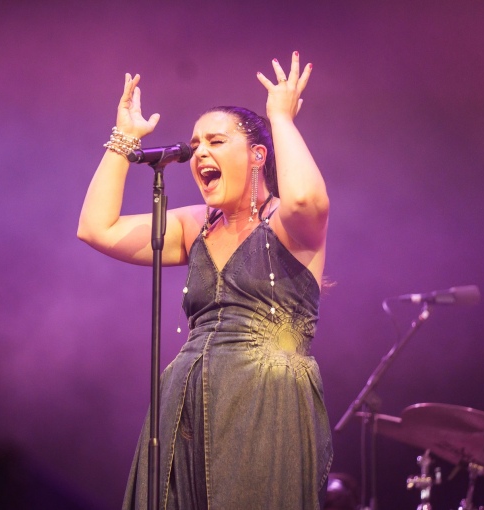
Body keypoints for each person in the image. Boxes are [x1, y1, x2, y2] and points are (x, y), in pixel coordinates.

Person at [77, 51, 332, 509]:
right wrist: (123, 141)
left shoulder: (289, 226)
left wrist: (280, 119)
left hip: (263, 402)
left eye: (216, 141)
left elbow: (309, 198)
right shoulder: (197, 224)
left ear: (257, 155)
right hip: (184, 401)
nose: (201, 154)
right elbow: (97, 228)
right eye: (196, 145)